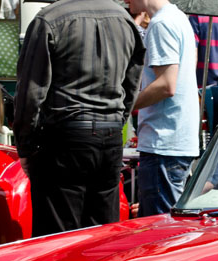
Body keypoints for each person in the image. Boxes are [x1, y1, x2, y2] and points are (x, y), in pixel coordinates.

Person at [14, 0, 144, 236]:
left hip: (66, 135)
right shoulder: (125, 20)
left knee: (58, 236)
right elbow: (132, 84)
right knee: (101, 237)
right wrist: (117, 120)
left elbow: (30, 92)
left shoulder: (50, 18)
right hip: (108, 133)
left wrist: (25, 146)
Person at [129, 0, 200, 217]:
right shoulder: (177, 18)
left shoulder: (161, 23)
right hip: (173, 141)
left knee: (161, 234)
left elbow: (167, 85)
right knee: (167, 229)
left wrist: (124, 106)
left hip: (164, 143)